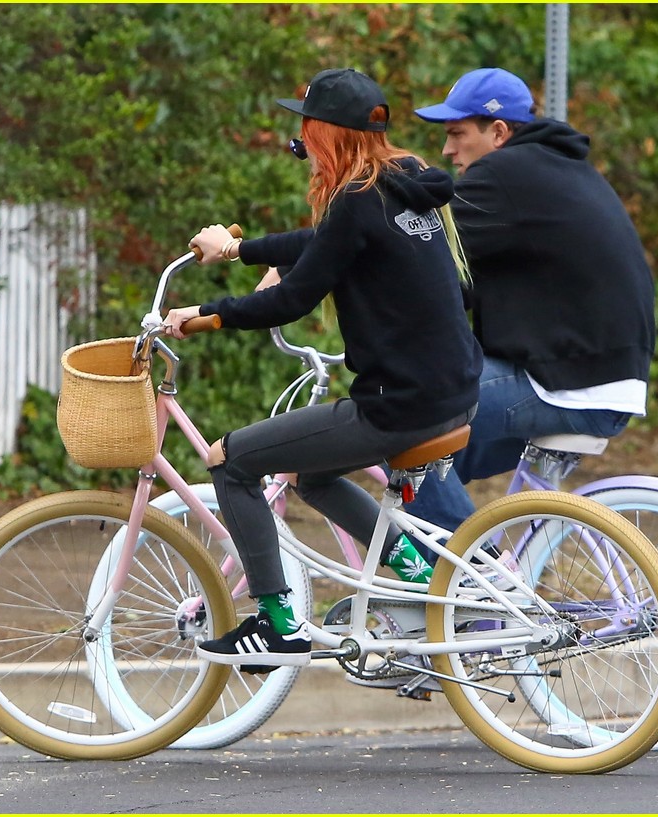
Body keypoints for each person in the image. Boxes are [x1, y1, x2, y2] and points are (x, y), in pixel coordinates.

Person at [163, 68, 482, 667]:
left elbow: (291, 299)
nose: (299, 142)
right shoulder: (405, 178)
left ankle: (278, 623)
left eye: (304, 130)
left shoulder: (356, 201)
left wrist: (206, 314)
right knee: (313, 474)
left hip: (397, 405)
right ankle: (417, 573)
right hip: (456, 390)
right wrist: (237, 250)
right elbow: (324, 244)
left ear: (324, 133)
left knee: (230, 461)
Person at [405, 67, 656, 555]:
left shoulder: (502, 175)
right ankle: (452, 599)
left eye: (457, 134)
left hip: (569, 381)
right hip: (599, 373)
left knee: (410, 428)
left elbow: (414, 245)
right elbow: (454, 281)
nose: (447, 151)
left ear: (498, 132)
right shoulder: (551, 170)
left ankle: (473, 589)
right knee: (433, 464)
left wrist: (300, 269)